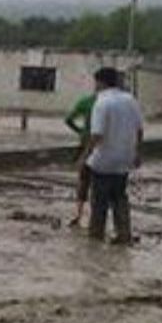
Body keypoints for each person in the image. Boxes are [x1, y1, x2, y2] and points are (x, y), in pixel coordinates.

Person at [79, 67, 143, 244]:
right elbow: (139, 130)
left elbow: (97, 135)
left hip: (103, 160)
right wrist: (137, 152)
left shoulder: (102, 102)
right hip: (125, 158)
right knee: (119, 197)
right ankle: (124, 234)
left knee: (99, 201)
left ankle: (95, 238)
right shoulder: (131, 100)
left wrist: (84, 157)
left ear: (100, 82)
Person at [63, 85, 97, 227]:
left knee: (84, 180)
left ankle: (79, 214)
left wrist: (81, 131)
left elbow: (68, 119)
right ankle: (96, 216)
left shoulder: (86, 101)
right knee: (100, 182)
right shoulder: (115, 103)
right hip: (106, 147)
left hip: (86, 144)